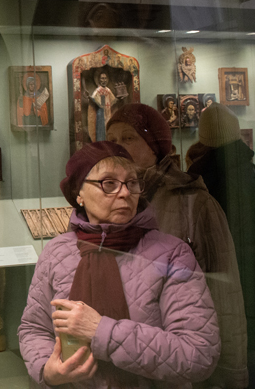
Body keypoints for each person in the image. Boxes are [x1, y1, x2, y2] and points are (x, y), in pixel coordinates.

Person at [19, 142, 220, 387]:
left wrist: (101, 331)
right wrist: (47, 370)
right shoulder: (56, 252)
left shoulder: (172, 253)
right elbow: (34, 328)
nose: (125, 193)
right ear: (79, 194)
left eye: (132, 183)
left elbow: (198, 354)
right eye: (109, 183)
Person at [106, 103, 248, 387]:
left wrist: (231, 373)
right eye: (111, 139)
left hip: (176, 362)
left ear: (155, 145)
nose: (118, 147)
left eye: (129, 137)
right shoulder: (101, 200)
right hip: (116, 360)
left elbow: (224, 292)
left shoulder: (193, 202)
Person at [188, 103, 255, 381]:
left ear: (203, 139)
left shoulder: (196, 182)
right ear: (236, 132)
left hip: (215, 277)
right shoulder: (250, 173)